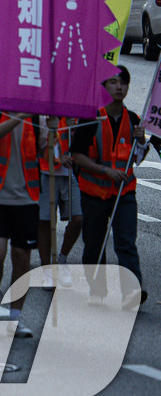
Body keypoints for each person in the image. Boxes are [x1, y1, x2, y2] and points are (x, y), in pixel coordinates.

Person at [71, 68, 147, 308]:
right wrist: (105, 171)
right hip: (94, 192)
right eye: (113, 82)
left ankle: (132, 291)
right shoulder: (91, 118)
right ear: (104, 87)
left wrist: (141, 141)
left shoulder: (133, 119)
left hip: (124, 193)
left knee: (126, 242)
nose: (119, 87)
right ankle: (97, 289)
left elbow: (136, 158)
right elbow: (76, 156)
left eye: (123, 83)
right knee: (94, 243)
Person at [0, 106, 46, 336]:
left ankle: (15, 318)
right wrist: (19, 117)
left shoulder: (38, 117)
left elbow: (47, 152)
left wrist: (54, 132)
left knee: (21, 259)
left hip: (26, 198)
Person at [37, 116, 83, 289]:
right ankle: (47, 271)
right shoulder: (45, 114)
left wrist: (76, 128)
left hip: (68, 173)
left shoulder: (73, 112)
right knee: (46, 222)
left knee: (77, 217)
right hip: (45, 171)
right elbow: (39, 142)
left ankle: (61, 260)